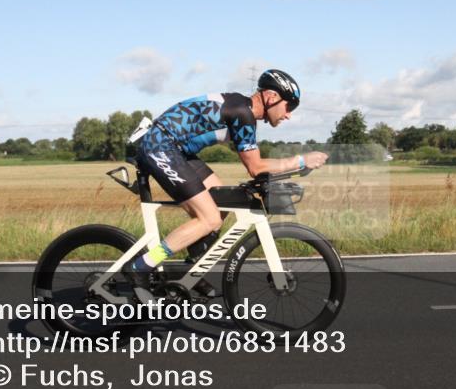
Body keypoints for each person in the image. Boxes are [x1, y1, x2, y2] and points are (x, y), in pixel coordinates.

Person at [126, 69, 328, 294]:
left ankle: (192, 270)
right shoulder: (243, 113)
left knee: (221, 204)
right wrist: (301, 160)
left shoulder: (244, 110)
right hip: (161, 147)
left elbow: (255, 164)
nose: (288, 114)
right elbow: (256, 167)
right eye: (289, 106)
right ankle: (140, 266)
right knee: (209, 218)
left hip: (177, 150)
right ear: (271, 97)